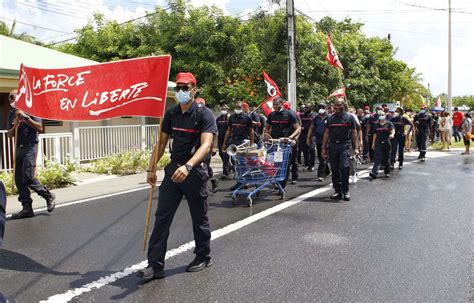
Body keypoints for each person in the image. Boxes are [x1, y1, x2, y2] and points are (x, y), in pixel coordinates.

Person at [137, 72, 217, 282]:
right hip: (173, 171)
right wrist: (151, 169)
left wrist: (189, 166)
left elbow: (206, 145)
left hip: (194, 172)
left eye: (185, 87)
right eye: (178, 87)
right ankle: (155, 265)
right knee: (162, 217)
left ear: (194, 89)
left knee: (199, 217)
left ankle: (203, 256)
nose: (181, 91)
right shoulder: (171, 114)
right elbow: (161, 144)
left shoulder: (204, 114)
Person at [7, 89, 56, 220]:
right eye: (10, 99)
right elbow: (9, 135)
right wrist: (14, 125)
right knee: (18, 179)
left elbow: (40, 128)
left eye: (13, 97)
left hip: (30, 146)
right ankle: (27, 207)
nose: (12, 101)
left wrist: (25, 118)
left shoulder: (32, 110)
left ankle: (47, 195)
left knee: (28, 177)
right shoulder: (12, 114)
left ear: (21, 97)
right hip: (18, 147)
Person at [321, 99, 358, 201]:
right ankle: (337, 191)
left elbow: (354, 133)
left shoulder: (349, 117)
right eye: (335, 105)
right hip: (333, 146)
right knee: (334, 169)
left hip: (345, 145)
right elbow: (327, 133)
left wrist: (356, 147)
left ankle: (345, 191)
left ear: (343, 105)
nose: (337, 107)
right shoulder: (330, 118)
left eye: (339, 105)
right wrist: (323, 147)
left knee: (345, 167)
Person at [264, 97, 301, 191]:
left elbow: (298, 128)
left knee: (285, 164)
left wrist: (291, 137)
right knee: (276, 163)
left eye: (277, 104)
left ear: (281, 104)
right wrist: (266, 135)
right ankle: (277, 181)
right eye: (274, 105)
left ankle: (282, 185)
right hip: (275, 143)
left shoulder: (290, 114)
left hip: (285, 144)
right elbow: (267, 127)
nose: (275, 107)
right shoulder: (271, 115)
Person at [222, 100, 254, 190]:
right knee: (236, 162)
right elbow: (228, 130)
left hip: (243, 142)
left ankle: (246, 181)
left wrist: (251, 144)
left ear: (242, 108)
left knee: (244, 162)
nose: (237, 109)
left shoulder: (247, 117)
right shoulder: (231, 117)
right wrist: (225, 143)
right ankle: (239, 182)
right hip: (234, 141)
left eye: (239, 107)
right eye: (236, 107)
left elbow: (251, 131)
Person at [196, 98, 219, 193]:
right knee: (197, 166)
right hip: (195, 147)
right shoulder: (193, 116)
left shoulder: (209, 116)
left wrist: (213, 148)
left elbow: (215, 134)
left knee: (204, 166)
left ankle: (205, 186)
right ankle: (211, 180)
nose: (199, 106)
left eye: (201, 104)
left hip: (206, 147)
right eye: (197, 104)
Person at [369, 114, 395, 179]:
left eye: (383, 115)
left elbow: (393, 130)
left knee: (386, 158)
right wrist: (373, 144)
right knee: (377, 158)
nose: (381, 117)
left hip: (387, 143)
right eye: (380, 115)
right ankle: (374, 173)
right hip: (378, 143)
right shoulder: (376, 125)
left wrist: (392, 134)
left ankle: (387, 172)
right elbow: (375, 134)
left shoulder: (389, 123)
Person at [307, 108, 329, 182]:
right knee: (321, 158)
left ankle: (320, 175)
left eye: (322, 114)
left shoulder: (329, 118)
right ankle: (327, 171)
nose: (321, 115)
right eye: (320, 114)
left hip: (327, 141)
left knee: (323, 158)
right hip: (318, 140)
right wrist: (308, 138)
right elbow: (311, 127)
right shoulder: (316, 118)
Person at [216, 103, 230, 178]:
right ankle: (230, 166)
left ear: (227, 110)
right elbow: (215, 129)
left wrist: (228, 118)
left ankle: (225, 172)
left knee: (225, 155)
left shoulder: (229, 118)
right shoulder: (219, 118)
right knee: (221, 154)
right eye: (222, 109)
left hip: (227, 139)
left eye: (225, 109)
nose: (223, 110)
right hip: (220, 138)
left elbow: (230, 128)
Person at [299, 104, 315, 171]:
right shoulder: (301, 115)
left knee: (312, 150)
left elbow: (316, 124)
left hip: (311, 135)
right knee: (305, 150)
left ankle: (312, 165)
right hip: (303, 135)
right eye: (305, 107)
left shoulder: (314, 115)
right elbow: (299, 123)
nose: (305, 109)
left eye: (307, 107)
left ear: (311, 108)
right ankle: (307, 164)